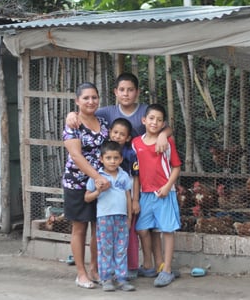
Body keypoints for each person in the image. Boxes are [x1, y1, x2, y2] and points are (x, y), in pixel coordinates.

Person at [66, 72, 172, 277]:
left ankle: (152, 265)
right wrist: (71, 114)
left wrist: (162, 135)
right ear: (115, 92)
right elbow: (83, 115)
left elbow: (165, 126)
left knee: (144, 224)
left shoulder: (141, 111)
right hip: (101, 182)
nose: (126, 94)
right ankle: (101, 270)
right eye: (121, 90)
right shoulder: (106, 112)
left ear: (137, 92)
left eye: (130, 89)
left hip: (139, 176)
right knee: (106, 227)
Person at [62, 82, 110, 289]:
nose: (91, 101)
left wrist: (102, 179)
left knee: (98, 229)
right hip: (78, 184)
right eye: (86, 98)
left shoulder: (103, 121)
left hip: (102, 185)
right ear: (77, 101)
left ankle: (95, 269)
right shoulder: (72, 124)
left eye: (94, 97)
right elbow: (76, 155)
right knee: (79, 228)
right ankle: (81, 273)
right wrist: (97, 177)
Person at [132, 103, 181, 287]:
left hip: (164, 194)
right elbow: (134, 171)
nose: (155, 122)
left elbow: (176, 166)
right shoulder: (135, 143)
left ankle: (167, 270)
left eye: (159, 120)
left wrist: (168, 186)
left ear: (163, 124)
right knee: (142, 229)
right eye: (151, 118)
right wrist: (135, 197)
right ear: (144, 120)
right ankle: (149, 265)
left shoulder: (168, 143)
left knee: (168, 231)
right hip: (145, 194)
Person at [84, 140, 136, 292]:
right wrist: (98, 191)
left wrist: (129, 217)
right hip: (104, 218)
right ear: (101, 159)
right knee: (105, 249)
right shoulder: (97, 177)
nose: (112, 161)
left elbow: (128, 196)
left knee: (121, 248)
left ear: (121, 159)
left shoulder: (124, 176)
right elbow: (87, 198)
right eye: (108, 158)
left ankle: (121, 279)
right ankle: (106, 278)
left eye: (115, 158)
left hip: (121, 218)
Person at [107, 118, 140, 279]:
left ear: (127, 138)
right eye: (115, 132)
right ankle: (112, 266)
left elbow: (136, 177)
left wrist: (135, 201)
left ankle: (132, 266)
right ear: (109, 133)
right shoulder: (104, 152)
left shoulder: (130, 154)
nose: (118, 136)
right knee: (110, 233)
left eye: (122, 134)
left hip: (128, 199)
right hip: (109, 201)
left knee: (129, 232)